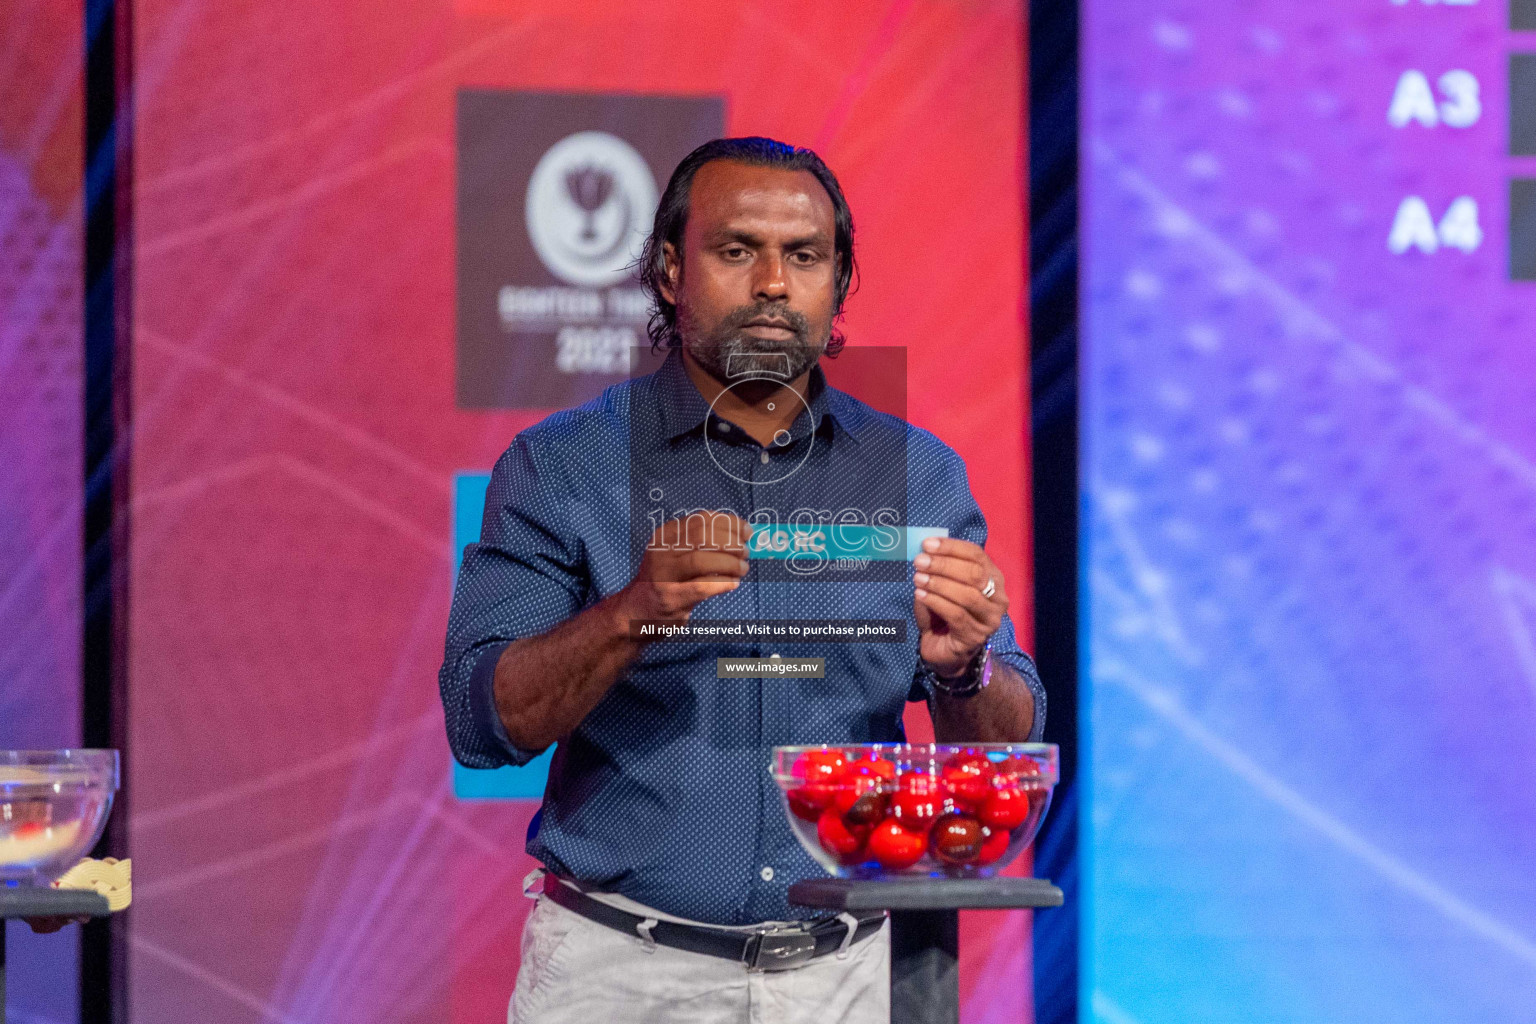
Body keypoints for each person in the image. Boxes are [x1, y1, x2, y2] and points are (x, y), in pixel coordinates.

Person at [439, 136, 1045, 1024]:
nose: (772, 282)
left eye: (804, 256)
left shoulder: (918, 473)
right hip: (623, 975)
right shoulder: (565, 467)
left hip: (848, 981)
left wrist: (965, 670)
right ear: (670, 271)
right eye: (736, 250)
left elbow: (1009, 740)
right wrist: (631, 616)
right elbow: (481, 722)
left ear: (838, 285)